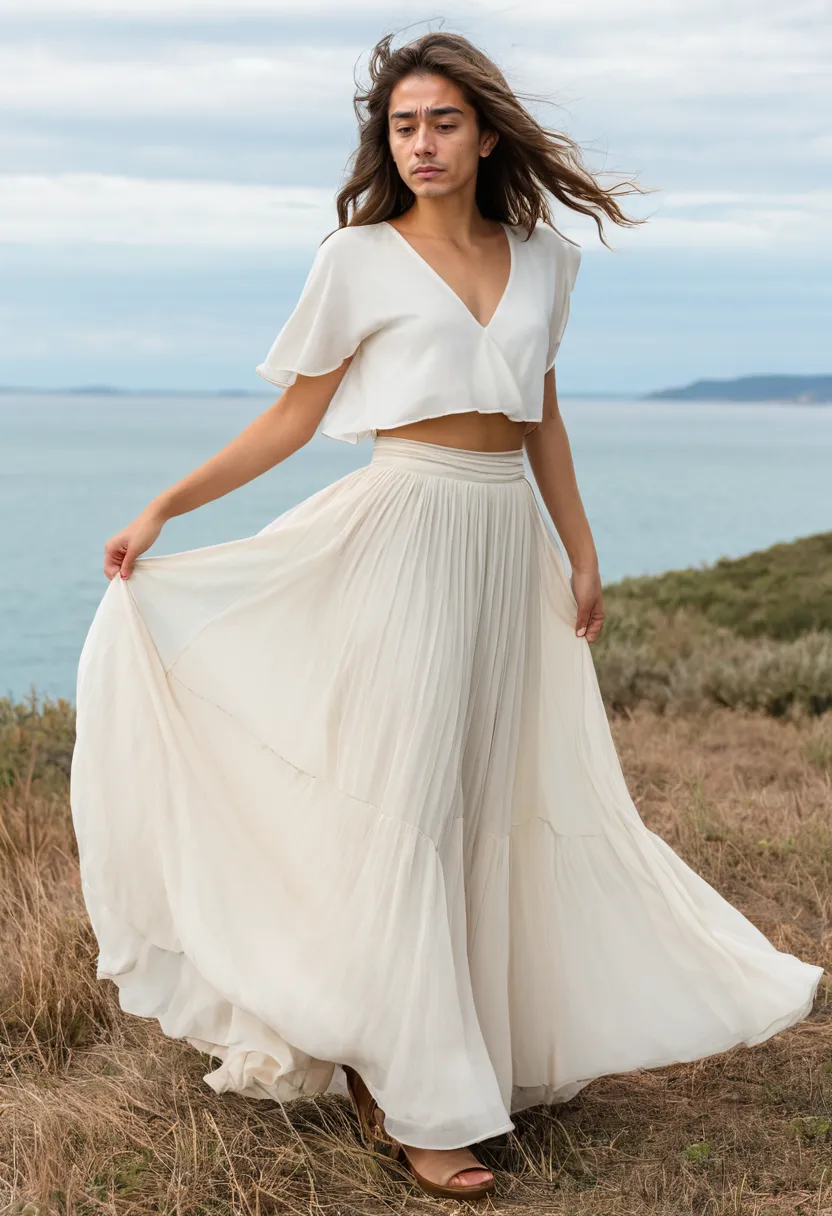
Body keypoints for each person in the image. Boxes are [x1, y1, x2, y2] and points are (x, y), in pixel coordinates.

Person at [69, 30, 824, 1204]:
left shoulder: (544, 262)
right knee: (406, 799)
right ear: (388, 142)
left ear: (485, 134)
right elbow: (290, 419)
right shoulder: (357, 258)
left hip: (502, 544)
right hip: (396, 532)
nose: (421, 144)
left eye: (443, 123)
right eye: (403, 126)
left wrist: (581, 552)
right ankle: (416, 1097)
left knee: (486, 794)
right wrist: (166, 503)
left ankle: (449, 1052)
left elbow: (542, 422)